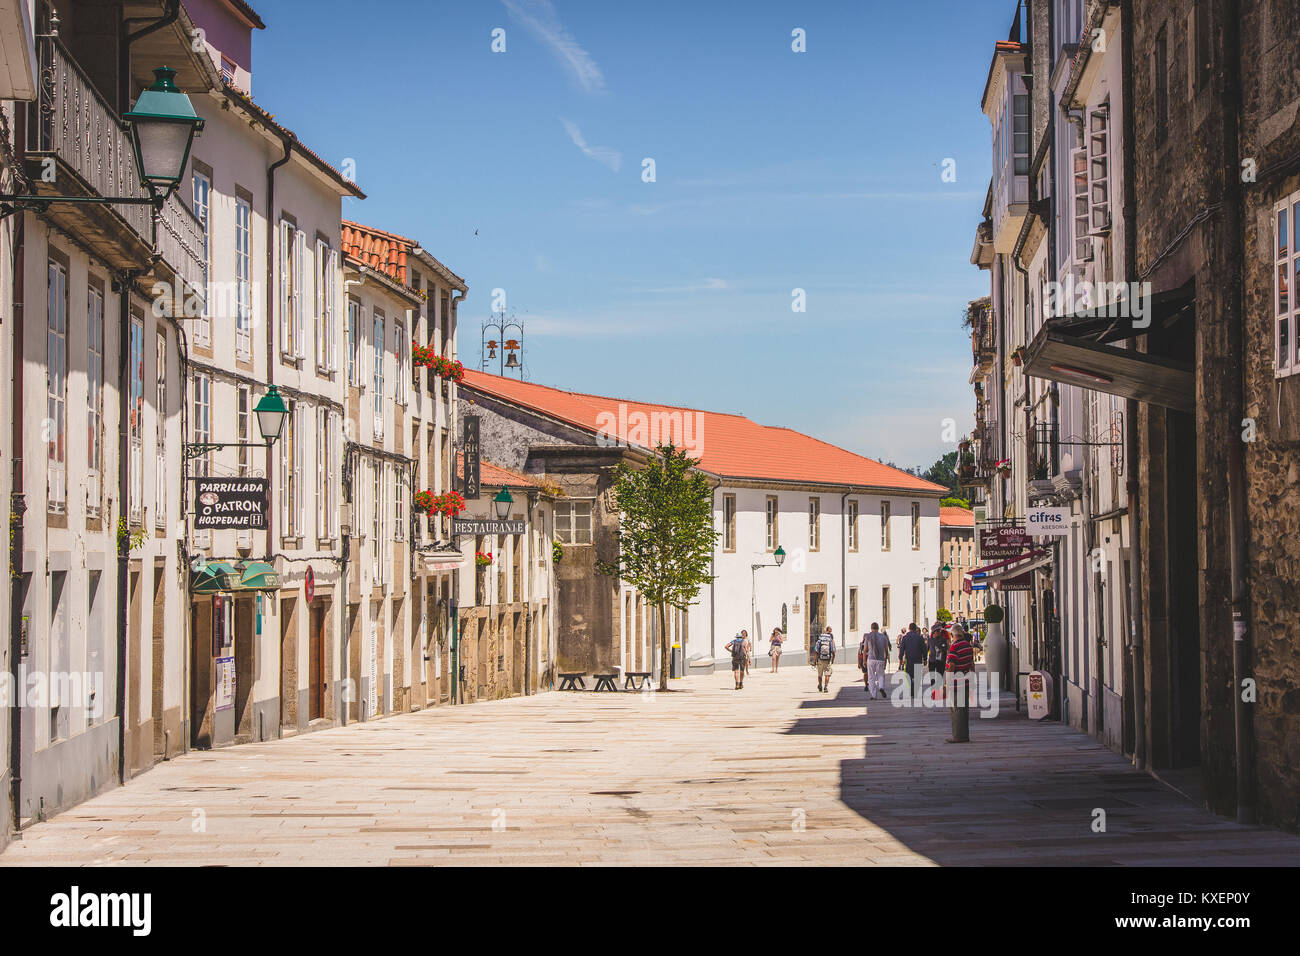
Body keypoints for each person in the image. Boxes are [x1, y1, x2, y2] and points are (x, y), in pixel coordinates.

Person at [946, 625, 976, 742]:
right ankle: (965, 735)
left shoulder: (954, 647)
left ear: (953, 635)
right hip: (966, 681)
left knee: (956, 709)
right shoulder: (968, 646)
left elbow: (952, 665)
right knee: (964, 709)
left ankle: (957, 736)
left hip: (956, 683)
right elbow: (972, 664)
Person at [861, 622, 890, 699]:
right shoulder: (883, 637)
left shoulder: (868, 636)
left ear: (871, 628)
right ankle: (881, 687)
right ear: (878, 628)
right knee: (881, 675)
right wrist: (886, 659)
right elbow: (886, 650)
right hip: (880, 659)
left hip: (871, 659)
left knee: (871, 677)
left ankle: (873, 695)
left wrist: (864, 660)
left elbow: (865, 649)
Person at [900, 623, 928, 701]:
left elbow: (902, 648)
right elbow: (924, 649)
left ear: (909, 628)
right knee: (917, 677)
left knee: (909, 676)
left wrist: (900, 658)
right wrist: (925, 659)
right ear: (915, 629)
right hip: (918, 659)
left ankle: (912, 692)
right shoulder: (920, 638)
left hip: (909, 660)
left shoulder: (905, 638)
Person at [811, 626, 836, 692]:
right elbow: (833, 651)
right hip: (827, 659)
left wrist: (814, 661)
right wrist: (832, 659)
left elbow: (816, 652)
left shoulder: (819, 642)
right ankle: (826, 687)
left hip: (820, 659)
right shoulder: (830, 641)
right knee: (827, 674)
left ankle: (820, 685)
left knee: (820, 675)